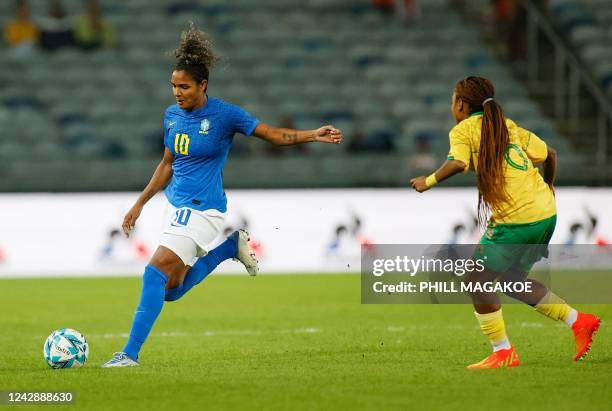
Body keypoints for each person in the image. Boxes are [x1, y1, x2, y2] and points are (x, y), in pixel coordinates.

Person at [101, 26, 343, 367]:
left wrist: (312, 135)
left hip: (202, 210)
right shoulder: (171, 117)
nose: (177, 93)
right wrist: (139, 204)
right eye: (173, 86)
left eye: (184, 86)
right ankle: (231, 247)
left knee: (153, 274)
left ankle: (128, 354)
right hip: (178, 209)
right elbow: (167, 163)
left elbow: (272, 135)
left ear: (203, 85)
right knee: (170, 290)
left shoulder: (225, 115)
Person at [410, 76, 600, 369]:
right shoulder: (507, 127)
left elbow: (458, 163)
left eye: (453, 101)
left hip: (518, 217)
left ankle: (503, 352)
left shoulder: (462, 131)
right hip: (545, 212)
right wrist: (548, 186)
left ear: (461, 104)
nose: (452, 106)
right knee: (511, 281)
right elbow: (549, 154)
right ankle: (579, 321)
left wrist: (429, 180)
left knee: (475, 279)